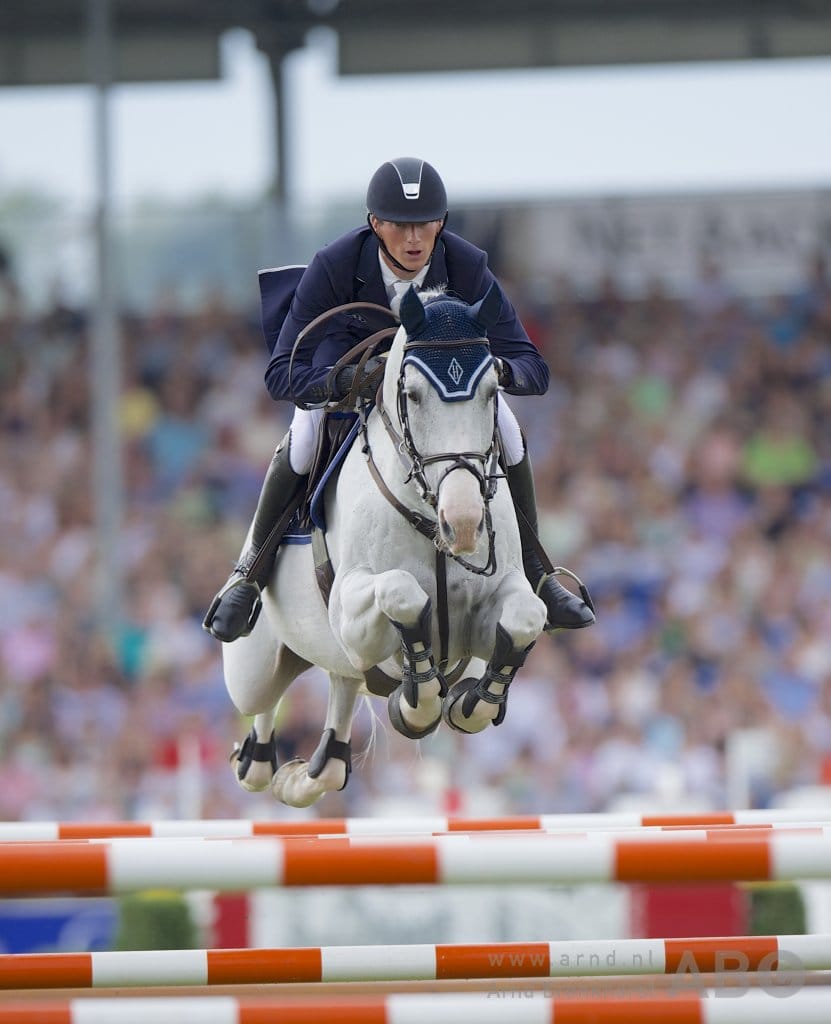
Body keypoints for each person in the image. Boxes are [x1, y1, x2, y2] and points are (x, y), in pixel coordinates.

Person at [203, 157, 595, 642]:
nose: (414, 239)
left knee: (508, 428)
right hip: (347, 372)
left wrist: (496, 371)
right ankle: (249, 574)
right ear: (375, 224)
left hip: (435, 392)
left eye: (425, 225)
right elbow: (283, 373)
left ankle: (539, 574)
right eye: (399, 226)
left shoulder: (466, 264)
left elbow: (532, 366)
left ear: (441, 223)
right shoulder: (336, 264)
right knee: (304, 434)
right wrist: (351, 380)